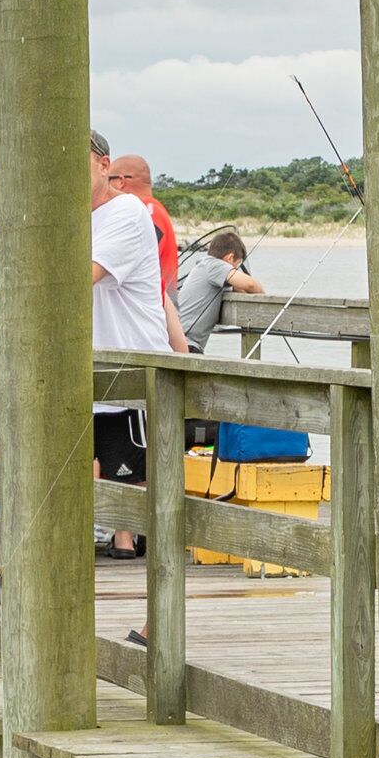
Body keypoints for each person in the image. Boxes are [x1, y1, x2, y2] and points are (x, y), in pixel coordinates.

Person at [84, 130, 178, 554]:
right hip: (92, 367)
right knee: (94, 459)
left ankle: (137, 546)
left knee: (132, 468)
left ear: (108, 168)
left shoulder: (130, 211)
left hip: (132, 365)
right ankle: (106, 540)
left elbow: (81, 276)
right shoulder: (76, 217)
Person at [169, 226, 263, 355]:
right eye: (238, 264)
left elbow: (239, 288)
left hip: (177, 342)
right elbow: (250, 284)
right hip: (187, 345)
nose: (237, 269)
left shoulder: (204, 266)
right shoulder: (215, 266)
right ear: (230, 258)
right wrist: (263, 297)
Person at [108, 151, 180, 302]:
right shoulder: (154, 209)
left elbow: (135, 258)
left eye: (108, 179)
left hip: (155, 309)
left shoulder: (146, 212)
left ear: (121, 181)